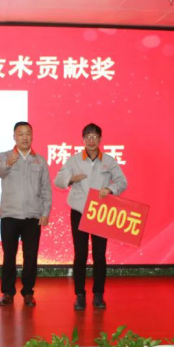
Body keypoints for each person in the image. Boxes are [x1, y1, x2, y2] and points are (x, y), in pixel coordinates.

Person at [54, 123, 127, 310]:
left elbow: (122, 181)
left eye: (95, 136)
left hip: (99, 213)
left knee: (99, 255)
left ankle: (98, 294)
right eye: (88, 137)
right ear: (83, 140)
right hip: (79, 211)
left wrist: (110, 188)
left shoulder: (109, 161)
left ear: (100, 139)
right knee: (80, 254)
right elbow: (58, 181)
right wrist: (71, 179)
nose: (91, 140)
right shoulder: (74, 160)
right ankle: (79, 294)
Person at [0, 121, 52, 307]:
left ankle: (28, 292)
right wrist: (8, 164)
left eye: (28, 134)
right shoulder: (4, 156)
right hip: (10, 215)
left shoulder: (39, 160)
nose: (25, 137)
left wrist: (45, 212)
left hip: (32, 216)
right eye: (20, 134)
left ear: (32, 136)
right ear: (14, 137)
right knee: (9, 255)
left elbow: (46, 188)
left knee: (31, 256)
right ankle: (8, 292)